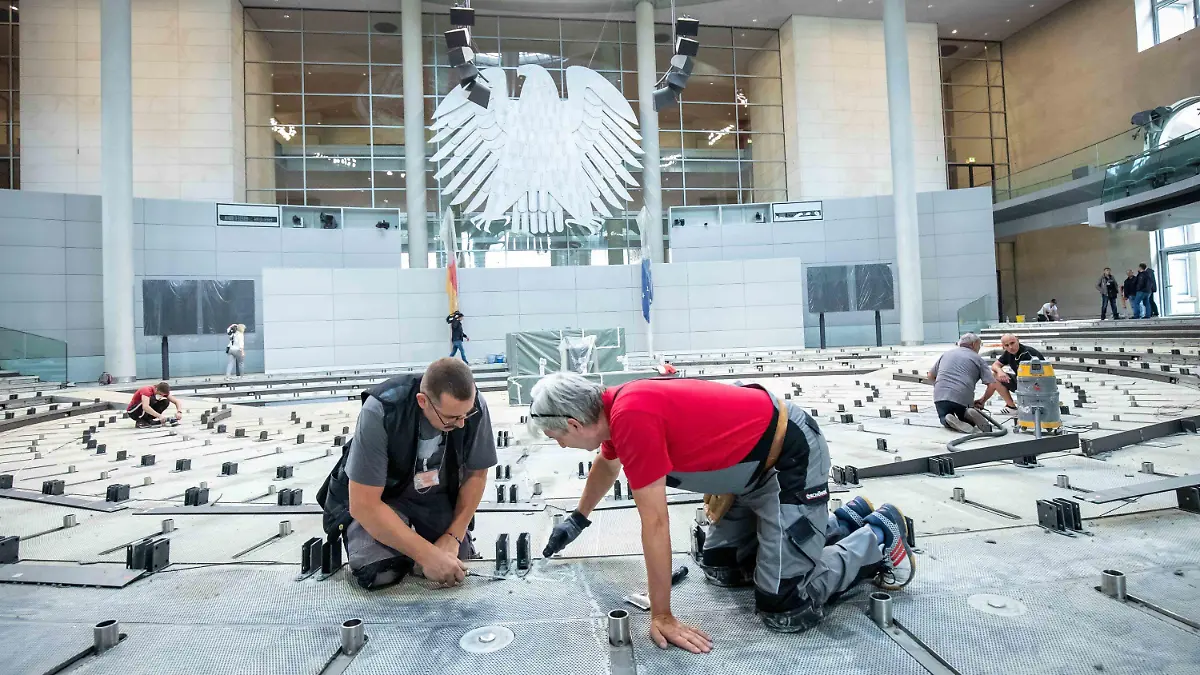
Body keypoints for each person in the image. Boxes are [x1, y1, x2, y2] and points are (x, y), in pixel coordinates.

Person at [529, 374, 911, 649]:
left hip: (789, 458)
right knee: (722, 566)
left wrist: (662, 615)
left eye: (556, 437)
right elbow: (606, 465)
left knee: (785, 605)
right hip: (750, 471)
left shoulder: (631, 418)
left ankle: (879, 534)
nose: (560, 445)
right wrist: (578, 519)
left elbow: (656, 524)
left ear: (574, 423)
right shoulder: (614, 410)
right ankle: (844, 521)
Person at [317, 358, 496, 590]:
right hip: (385, 499)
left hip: (436, 497)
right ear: (423, 401)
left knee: (454, 566)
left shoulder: (473, 406)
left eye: (466, 415)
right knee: (380, 571)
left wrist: (453, 537)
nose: (461, 424)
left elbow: (476, 476)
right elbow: (364, 505)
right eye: (451, 418)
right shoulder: (382, 409)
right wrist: (427, 555)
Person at [928, 333, 1002, 434]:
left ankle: (947, 418)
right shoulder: (978, 359)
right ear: (974, 344)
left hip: (940, 394)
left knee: (943, 417)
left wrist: (938, 387)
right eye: (979, 345)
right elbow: (992, 385)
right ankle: (969, 413)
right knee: (966, 419)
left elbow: (930, 376)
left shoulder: (946, 354)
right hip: (962, 395)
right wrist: (982, 400)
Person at [978, 333, 1044, 412]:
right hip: (1021, 382)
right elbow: (995, 365)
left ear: (1017, 340)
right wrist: (1000, 371)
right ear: (1003, 347)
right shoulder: (1008, 353)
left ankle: (982, 401)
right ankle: (1011, 407)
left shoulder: (1028, 353)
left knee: (996, 377)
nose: (1010, 347)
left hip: (1036, 385)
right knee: (995, 376)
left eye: (1012, 343)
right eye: (1007, 345)